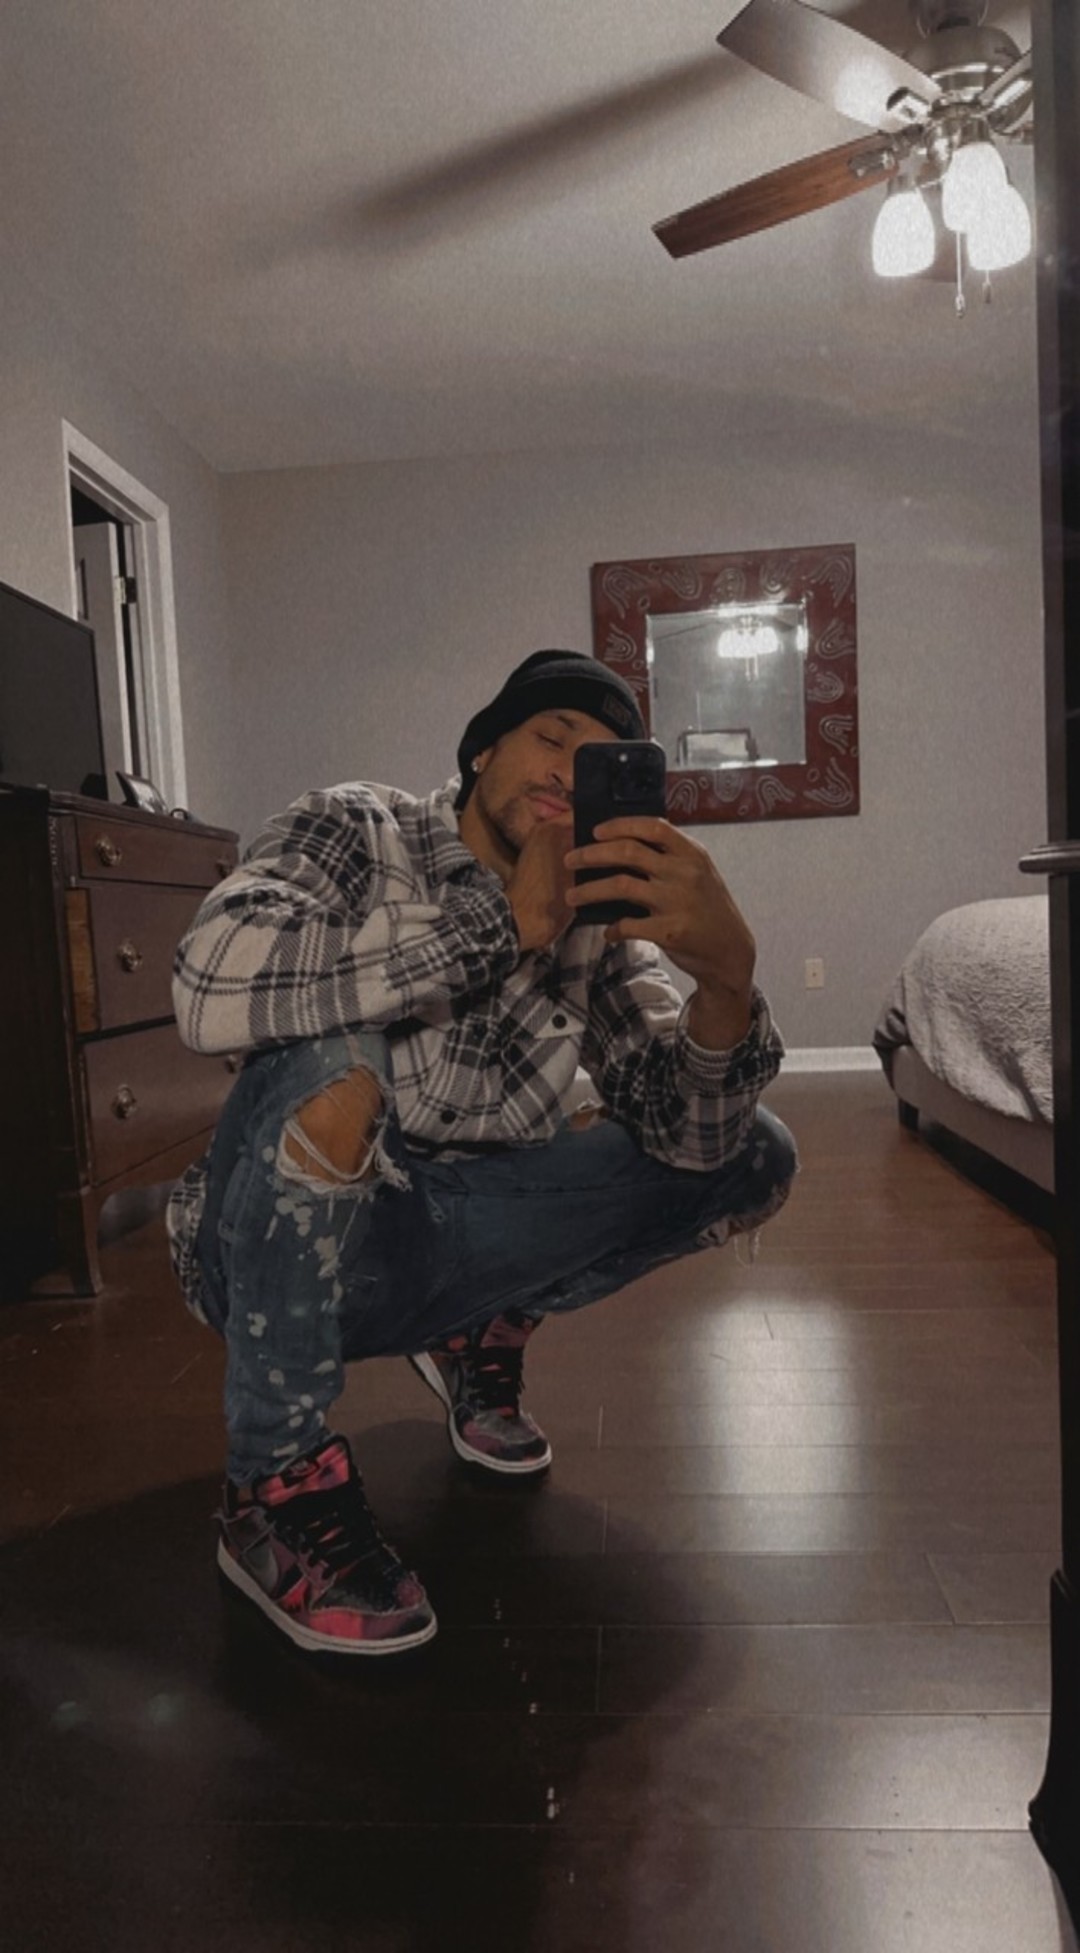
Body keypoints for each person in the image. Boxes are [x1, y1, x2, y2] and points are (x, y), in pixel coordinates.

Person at [166, 649, 797, 1658]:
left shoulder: (599, 918)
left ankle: (474, 1336)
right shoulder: (358, 828)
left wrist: (727, 985)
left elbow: (692, 1141)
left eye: (600, 762)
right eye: (551, 738)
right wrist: (500, 924)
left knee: (755, 1153)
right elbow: (207, 983)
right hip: (268, 1255)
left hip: (452, 1238)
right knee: (329, 1059)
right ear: (482, 751)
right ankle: (272, 1487)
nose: (567, 774)